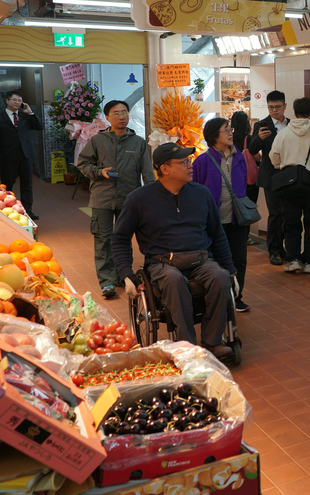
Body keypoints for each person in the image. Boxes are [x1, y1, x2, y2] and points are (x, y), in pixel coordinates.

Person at [112, 143, 237, 360]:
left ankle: (212, 342)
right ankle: (187, 346)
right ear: (165, 169)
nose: (190, 165)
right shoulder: (139, 199)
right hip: (162, 264)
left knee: (220, 277)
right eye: (183, 162)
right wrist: (126, 274)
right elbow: (119, 238)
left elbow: (218, 236)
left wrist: (231, 270)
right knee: (173, 280)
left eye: (189, 161)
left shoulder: (202, 194)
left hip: (200, 260)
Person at [76, 100, 154, 299]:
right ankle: (107, 282)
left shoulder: (138, 142)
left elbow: (147, 171)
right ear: (107, 117)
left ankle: (123, 275)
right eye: (116, 113)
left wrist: (152, 196)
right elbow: (83, 164)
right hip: (102, 198)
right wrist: (99, 172)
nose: (122, 116)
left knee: (123, 238)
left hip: (129, 198)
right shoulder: (97, 140)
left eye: (124, 112)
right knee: (103, 239)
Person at [192, 118, 251, 313]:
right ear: (213, 136)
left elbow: (244, 183)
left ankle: (236, 297)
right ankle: (218, 298)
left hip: (237, 219)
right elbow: (196, 190)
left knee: (238, 259)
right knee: (215, 260)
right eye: (225, 130)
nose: (230, 133)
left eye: (230, 129)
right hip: (213, 221)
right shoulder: (202, 161)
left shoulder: (239, 157)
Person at [269, 97, 310, 274]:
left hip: (290, 185)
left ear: (295, 113)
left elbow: (274, 158)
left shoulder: (283, 134)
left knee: (291, 222)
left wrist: (285, 165)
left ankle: (293, 260)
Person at [0, 90, 43, 219]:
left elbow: (39, 127)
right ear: (7, 101)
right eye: (14, 100)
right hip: (8, 156)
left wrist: (30, 113)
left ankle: (28, 210)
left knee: (27, 184)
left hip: (26, 155)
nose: (17, 102)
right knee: (7, 184)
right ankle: (7, 210)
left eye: (19, 100)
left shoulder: (25, 116)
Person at [248, 91, 288, 265]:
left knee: (287, 214)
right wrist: (258, 138)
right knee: (275, 214)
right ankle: (274, 251)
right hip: (270, 175)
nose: (274, 110)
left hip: (288, 175)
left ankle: (285, 248)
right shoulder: (262, 125)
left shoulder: (290, 124)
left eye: (277, 107)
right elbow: (252, 149)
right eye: (271, 107)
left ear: (284, 106)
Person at [230, 110, 260, 205]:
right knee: (250, 204)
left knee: (236, 205)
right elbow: (257, 157)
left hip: (233, 175)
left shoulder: (229, 138)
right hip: (248, 177)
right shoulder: (248, 138)